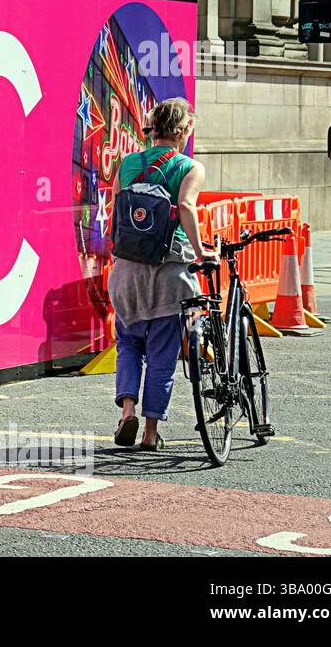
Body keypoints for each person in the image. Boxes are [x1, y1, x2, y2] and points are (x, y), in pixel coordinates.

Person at [108, 99, 215, 451]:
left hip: (127, 271)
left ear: (153, 128)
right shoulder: (189, 166)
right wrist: (202, 252)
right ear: (183, 131)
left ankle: (126, 412)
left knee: (128, 344)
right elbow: (185, 206)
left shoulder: (128, 163)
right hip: (168, 273)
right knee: (162, 354)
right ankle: (151, 433)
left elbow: (117, 211)